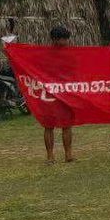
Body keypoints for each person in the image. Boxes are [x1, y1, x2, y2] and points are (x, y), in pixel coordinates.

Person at [41, 25, 76, 164]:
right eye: (64, 39)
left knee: (67, 125)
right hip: (49, 94)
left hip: (66, 93)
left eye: (67, 39)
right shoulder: (43, 54)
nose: (67, 42)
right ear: (55, 39)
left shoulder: (71, 54)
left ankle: (68, 154)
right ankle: (50, 156)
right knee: (48, 125)